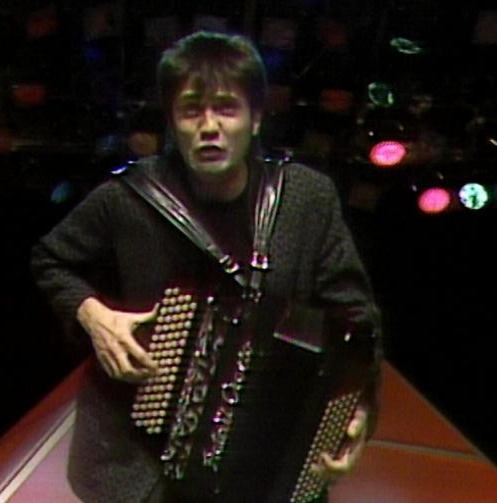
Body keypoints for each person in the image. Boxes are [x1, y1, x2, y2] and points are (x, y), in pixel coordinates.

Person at [31, 30, 382, 503]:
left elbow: (357, 316)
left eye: (227, 108)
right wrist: (93, 315)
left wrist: (357, 407)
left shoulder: (306, 199)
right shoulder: (128, 200)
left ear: (256, 119)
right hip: (137, 458)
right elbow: (50, 259)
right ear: (172, 122)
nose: (209, 126)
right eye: (191, 110)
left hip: (268, 456)